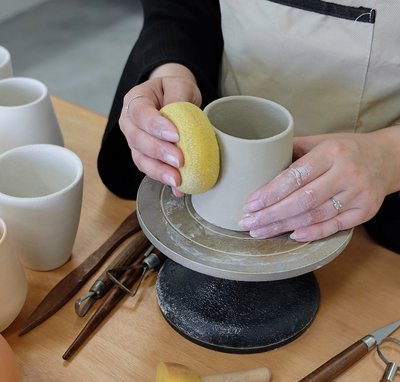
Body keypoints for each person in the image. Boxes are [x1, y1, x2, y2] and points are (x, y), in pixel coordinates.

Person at [98, 0, 400, 253]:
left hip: (381, 213)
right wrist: (171, 74)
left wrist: (387, 157)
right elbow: (182, 9)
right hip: (217, 192)